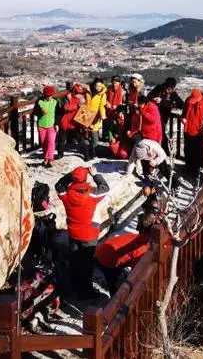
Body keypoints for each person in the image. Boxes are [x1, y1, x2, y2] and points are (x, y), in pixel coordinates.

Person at [55, 165, 109, 299]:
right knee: (86, 265)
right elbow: (105, 187)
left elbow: (59, 185)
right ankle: (86, 292)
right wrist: (95, 175)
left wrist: (72, 175)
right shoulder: (92, 195)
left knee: (75, 261)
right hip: (89, 235)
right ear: (86, 179)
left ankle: (74, 287)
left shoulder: (66, 195)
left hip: (73, 234)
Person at [95, 212, 156, 295]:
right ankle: (115, 294)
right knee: (113, 281)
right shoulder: (141, 248)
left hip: (105, 249)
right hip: (106, 259)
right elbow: (136, 271)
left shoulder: (140, 238)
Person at [147, 77, 185, 154]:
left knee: (163, 134)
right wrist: (154, 99)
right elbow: (149, 96)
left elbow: (181, 105)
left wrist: (164, 102)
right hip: (153, 115)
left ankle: (165, 152)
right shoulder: (158, 89)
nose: (168, 91)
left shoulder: (173, 94)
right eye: (167, 88)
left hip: (163, 117)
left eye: (170, 89)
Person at [57, 83, 89, 160]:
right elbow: (65, 108)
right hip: (66, 121)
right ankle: (60, 154)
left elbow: (84, 110)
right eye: (77, 92)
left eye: (80, 93)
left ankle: (86, 155)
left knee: (81, 140)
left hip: (75, 122)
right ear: (74, 91)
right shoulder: (67, 97)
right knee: (61, 139)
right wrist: (76, 106)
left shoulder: (82, 99)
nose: (79, 94)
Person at [33, 85, 58, 167]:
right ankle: (45, 158)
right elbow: (35, 112)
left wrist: (57, 124)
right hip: (41, 125)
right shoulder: (39, 101)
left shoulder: (55, 101)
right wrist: (41, 112)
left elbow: (58, 114)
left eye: (50, 96)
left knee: (51, 142)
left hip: (52, 124)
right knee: (44, 143)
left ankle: (50, 159)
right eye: (47, 96)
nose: (49, 97)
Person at [84, 78, 108, 160]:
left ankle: (93, 152)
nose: (98, 88)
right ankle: (87, 152)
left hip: (95, 116)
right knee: (86, 136)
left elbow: (102, 106)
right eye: (97, 86)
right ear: (94, 85)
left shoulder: (103, 94)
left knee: (94, 136)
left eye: (100, 86)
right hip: (85, 115)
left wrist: (103, 115)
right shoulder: (87, 91)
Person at [104, 75, 126, 141]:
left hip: (118, 112)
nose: (114, 84)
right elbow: (105, 98)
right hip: (109, 110)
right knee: (108, 124)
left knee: (116, 125)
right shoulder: (109, 89)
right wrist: (107, 103)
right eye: (113, 83)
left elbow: (124, 102)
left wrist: (117, 106)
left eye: (116, 83)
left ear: (119, 83)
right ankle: (108, 137)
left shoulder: (122, 91)